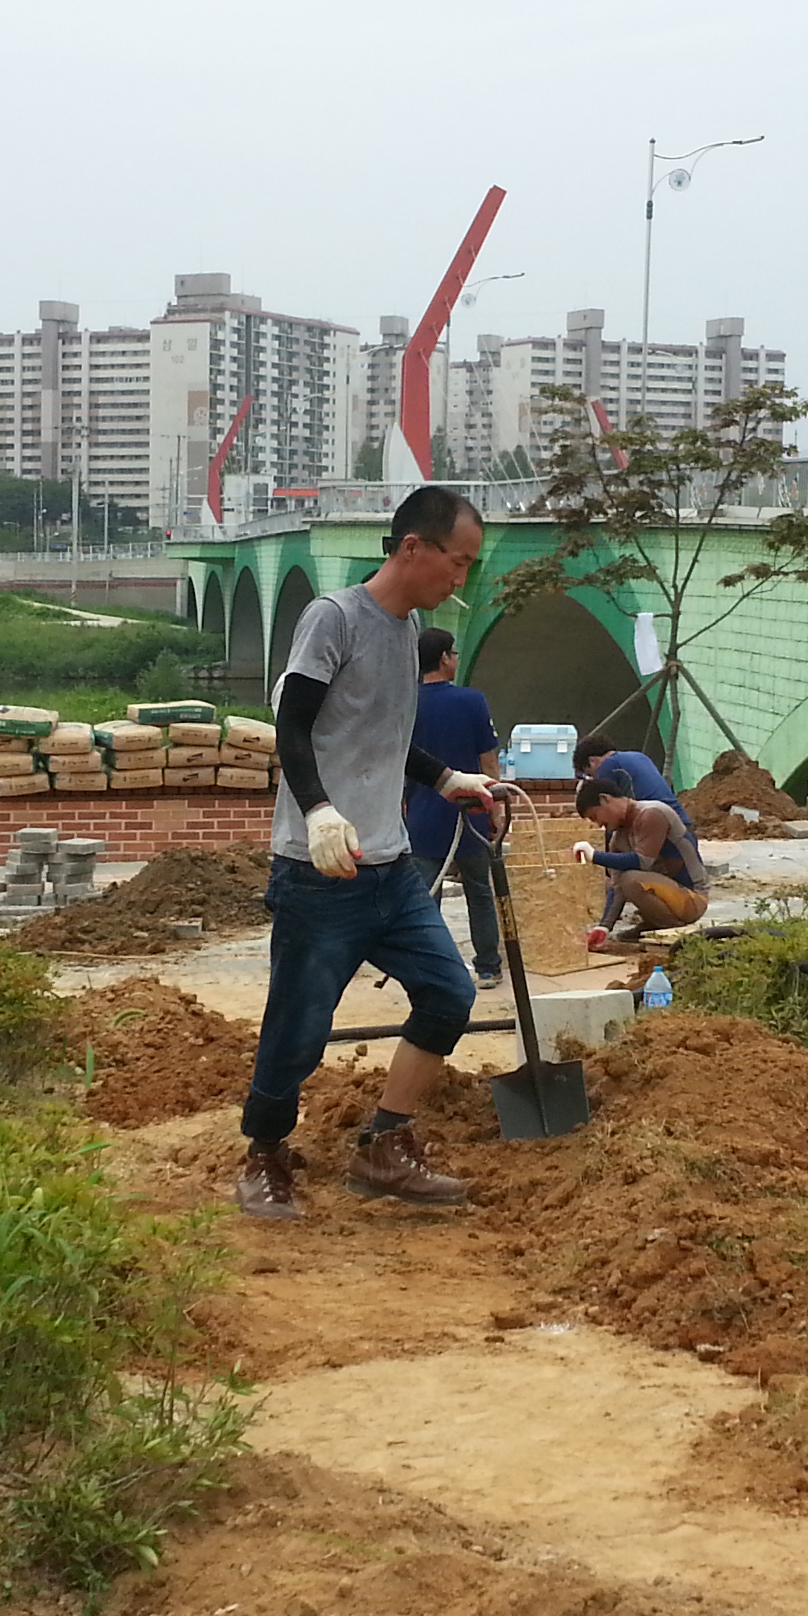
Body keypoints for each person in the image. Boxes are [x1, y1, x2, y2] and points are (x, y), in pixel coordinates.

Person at [238, 484, 498, 1219]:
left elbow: (386, 733)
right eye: (458, 560)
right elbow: (292, 727)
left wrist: (447, 778)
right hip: (319, 870)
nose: (462, 578)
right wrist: (319, 811)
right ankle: (263, 1154)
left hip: (390, 867)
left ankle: (385, 1143)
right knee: (299, 1029)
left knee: (449, 994)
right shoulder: (334, 619)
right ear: (413, 547)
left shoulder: (408, 633)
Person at [405, 625, 505, 991]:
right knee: (480, 891)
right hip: (472, 814)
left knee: (426, 899)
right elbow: (488, 763)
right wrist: (496, 811)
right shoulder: (472, 701)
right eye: (455, 654)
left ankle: (433, 971)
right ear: (445, 658)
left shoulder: (406, 703)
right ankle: (489, 967)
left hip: (422, 817)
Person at [572, 771, 710, 945]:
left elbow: (643, 861)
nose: (598, 824)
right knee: (620, 880)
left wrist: (595, 856)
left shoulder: (652, 813)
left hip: (692, 898)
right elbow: (617, 886)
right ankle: (654, 924)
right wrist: (604, 927)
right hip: (670, 895)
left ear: (605, 799)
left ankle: (668, 927)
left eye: (595, 816)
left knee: (631, 879)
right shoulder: (618, 838)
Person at [569, 733, 680, 814]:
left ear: (592, 761)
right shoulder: (639, 756)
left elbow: (611, 812)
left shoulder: (608, 766)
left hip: (659, 827)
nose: (596, 778)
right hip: (680, 823)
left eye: (591, 774)